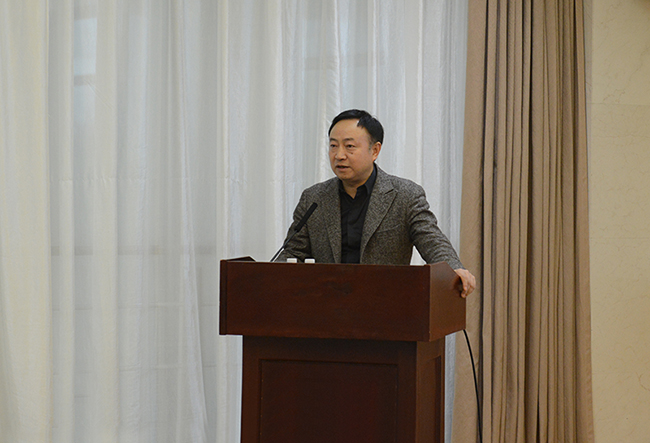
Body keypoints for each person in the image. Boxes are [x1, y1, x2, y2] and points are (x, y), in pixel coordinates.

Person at [278, 109, 476, 297]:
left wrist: (453, 268)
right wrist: (271, 278)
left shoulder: (405, 195)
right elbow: (293, 252)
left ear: (375, 150)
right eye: (333, 146)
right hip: (327, 305)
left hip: (385, 305)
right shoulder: (314, 198)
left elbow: (431, 240)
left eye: (349, 146)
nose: (339, 155)